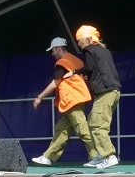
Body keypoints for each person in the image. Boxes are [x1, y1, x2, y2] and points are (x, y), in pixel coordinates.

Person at [29, 36, 93, 167]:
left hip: (72, 100)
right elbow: (86, 76)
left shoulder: (62, 62)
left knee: (82, 129)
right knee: (61, 130)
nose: (52, 54)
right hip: (77, 99)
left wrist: (40, 97)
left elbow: (55, 83)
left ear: (58, 49)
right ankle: (48, 157)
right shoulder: (77, 60)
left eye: (53, 50)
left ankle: (98, 155)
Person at [74, 24, 121, 169]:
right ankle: (99, 155)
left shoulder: (89, 50)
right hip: (113, 91)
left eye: (79, 41)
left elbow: (88, 67)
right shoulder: (104, 50)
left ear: (86, 39)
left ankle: (109, 156)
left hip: (105, 92)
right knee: (91, 122)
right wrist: (90, 76)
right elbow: (99, 69)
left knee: (97, 125)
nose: (79, 44)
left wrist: (75, 72)